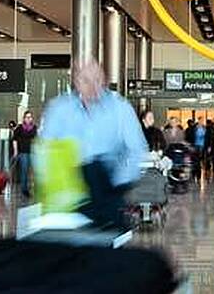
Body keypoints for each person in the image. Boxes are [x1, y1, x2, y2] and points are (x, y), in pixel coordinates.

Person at [39, 59, 148, 229]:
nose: (93, 86)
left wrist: (118, 183)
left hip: (108, 187)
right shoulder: (59, 108)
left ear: (104, 79)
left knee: (107, 249)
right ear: (76, 81)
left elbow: (137, 149)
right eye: (86, 80)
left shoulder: (120, 108)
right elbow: (45, 148)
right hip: (69, 193)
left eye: (97, 80)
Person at [11, 111, 38, 198]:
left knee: (34, 172)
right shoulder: (19, 128)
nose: (28, 119)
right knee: (24, 171)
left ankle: (34, 189)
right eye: (27, 117)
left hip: (33, 153)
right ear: (24, 118)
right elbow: (14, 139)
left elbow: (37, 140)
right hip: (23, 152)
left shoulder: (34, 128)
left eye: (30, 117)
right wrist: (15, 151)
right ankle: (24, 190)